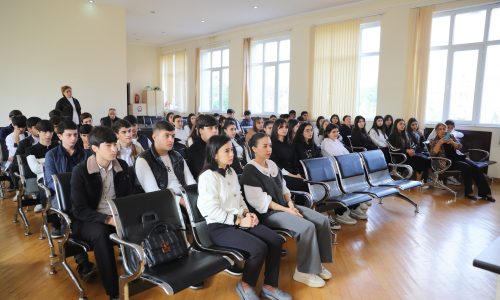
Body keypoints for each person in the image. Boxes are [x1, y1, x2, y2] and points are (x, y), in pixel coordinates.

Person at [197, 135, 291, 300]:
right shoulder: (208, 177)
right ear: (214, 154)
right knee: (259, 248)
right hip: (220, 227)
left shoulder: (231, 172)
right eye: (226, 150)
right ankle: (246, 284)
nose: (231, 153)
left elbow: (239, 198)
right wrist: (239, 220)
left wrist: (248, 213)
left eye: (232, 149)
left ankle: (269, 286)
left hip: (240, 220)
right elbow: (209, 209)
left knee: (276, 241)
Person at [242, 133, 332, 288]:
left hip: (285, 207)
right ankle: (303, 271)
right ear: (254, 148)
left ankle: (316, 265)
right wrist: (287, 210)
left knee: (322, 221)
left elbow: (284, 188)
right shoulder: (250, 170)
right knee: (306, 227)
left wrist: (290, 204)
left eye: (270, 145)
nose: (269, 148)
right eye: (264, 146)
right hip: (269, 214)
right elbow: (262, 202)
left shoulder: (272, 165)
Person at [71, 126, 134, 300]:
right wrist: (107, 219)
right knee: (101, 235)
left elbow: (128, 197)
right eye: (108, 145)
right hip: (89, 219)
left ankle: (141, 274)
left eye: (115, 144)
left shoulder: (122, 166)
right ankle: (114, 291)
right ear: (95, 148)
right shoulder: (81, 171)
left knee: (141, 223)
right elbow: (79, 209)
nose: (114, 149)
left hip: (116, 215)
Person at [429, 123, 495, 202]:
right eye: (440, 129)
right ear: (436, 131)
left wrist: (452, 142)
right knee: (466, 167)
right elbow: (432, 154)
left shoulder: (450, 136)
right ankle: (469, 193)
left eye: (444, 129)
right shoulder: (433, 141)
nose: (442, 131)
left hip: (457, 157)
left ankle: (486, 193)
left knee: (476, 168)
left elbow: (460, 146)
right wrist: (440, 142)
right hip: (446, 162)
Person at [135, 121, 196, 205]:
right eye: (166, 136)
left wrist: (194, 196)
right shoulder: (143, 159)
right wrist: (181, 201)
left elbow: (190, 181)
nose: (171, 140)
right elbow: (154, 193)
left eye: (173, 136)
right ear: (154, 137)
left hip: (185, 197)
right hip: (164, 203)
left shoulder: (177, 155)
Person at [321, 124, 368, 222]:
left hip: (345, 168)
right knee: (341, 191)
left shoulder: (337, 141)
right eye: (333, 132)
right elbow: (339, 156)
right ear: (328, 133)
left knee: (354, 187)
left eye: (337, 131)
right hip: (336, 172)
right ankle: (340, 213)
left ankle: (353, 207)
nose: (336, 133)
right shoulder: (326, 143)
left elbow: (347, 153)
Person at [26, 120, 58, 212]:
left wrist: (43, 163)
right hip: (43, 177)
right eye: (45, 132)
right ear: (38, 132)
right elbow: (35, 169)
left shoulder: (58, 145)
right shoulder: (31, 150)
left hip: (60, 175)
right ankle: (46, 207)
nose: (48, 135)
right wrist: (53, 165)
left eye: (51, 132)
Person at [269, 119, 307, 193]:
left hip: (292, 172)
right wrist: (293, 175)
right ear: (275, 128)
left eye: (286, 127)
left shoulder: (290, 143)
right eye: (281, 127)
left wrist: (297, 173)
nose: (284, 129)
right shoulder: (271, 144)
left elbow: (294, 161)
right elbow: (276, 165)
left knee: (308, 180)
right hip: (280, 174)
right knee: (302, 184)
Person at [186, 114, 219, 179]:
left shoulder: (219, 146)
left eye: (216, 127)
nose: (215, 131)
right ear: (201, 130)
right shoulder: (194, 149)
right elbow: (203, 173)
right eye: (210, 128)